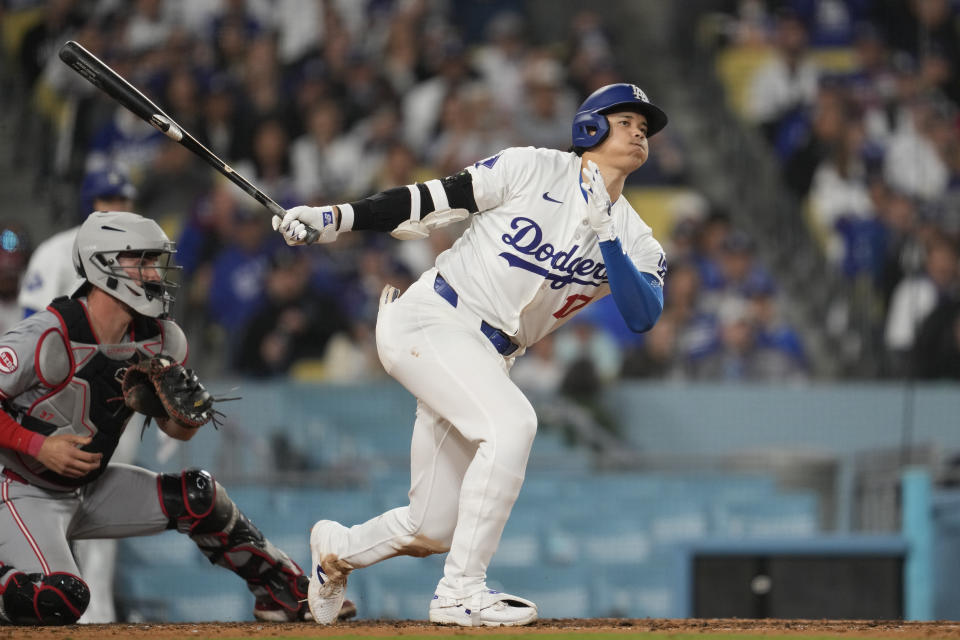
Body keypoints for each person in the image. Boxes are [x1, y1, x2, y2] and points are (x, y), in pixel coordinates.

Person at [274, 82, 669, 626]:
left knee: (430, 527)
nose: (639, 132)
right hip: (434, 319)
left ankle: (335, 550)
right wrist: (334, 219)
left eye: (644, 127)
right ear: (590, 128)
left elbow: (644, 314)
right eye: (627, 121)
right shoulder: (530, 167)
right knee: (512, 424)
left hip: (487, 357)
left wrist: (607, 236)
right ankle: (460, 591)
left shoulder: (634, 236)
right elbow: (431, 200)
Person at [0, 211, 354, 625]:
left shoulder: (161, 339)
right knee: (61, 599)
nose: (153, 272)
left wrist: (186, 412)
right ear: (103, 264)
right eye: (142, 261)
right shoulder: (46, 336)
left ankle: (281, 594)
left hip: (90, 487)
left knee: (199, 495)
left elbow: (178, 433)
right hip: (22, 487)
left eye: (154, 260)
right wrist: (38, 445)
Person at [18, 166, 137, 318]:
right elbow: (31, 319)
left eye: (123, 199)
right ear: (89, 203)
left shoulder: (143, 254)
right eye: (108, 200)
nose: (118, 207)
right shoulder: (55, 251)